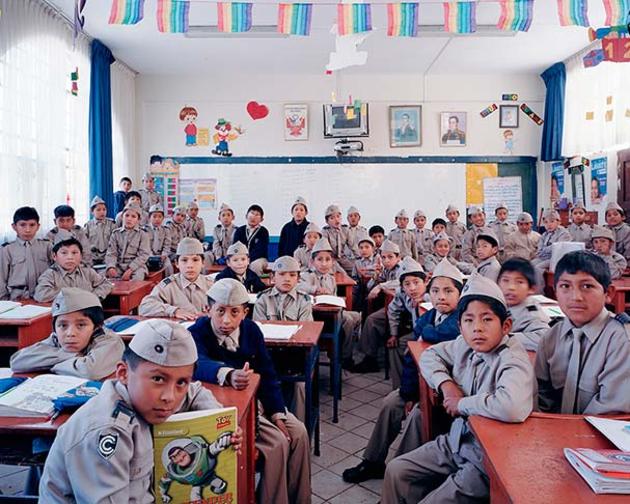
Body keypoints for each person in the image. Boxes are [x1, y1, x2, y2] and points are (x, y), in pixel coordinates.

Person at [39, 319, 239, 502]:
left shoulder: (151, 399)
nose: (169, 396)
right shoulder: (108, 431)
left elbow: (194, 392)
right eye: (158, 379)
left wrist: (218, 424)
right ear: (123, 373)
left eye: (181, 382)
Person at [381, 274, 535, 504]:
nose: (477, 329)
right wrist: (447, 385)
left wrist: (461, 404)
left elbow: (511, 406)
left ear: (506, 326)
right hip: (457, 440)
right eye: (469, 320)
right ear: (459, 325)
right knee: (396, 469)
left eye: (487, 320)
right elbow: (430, 355)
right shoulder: (464, 344)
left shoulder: (512, 358)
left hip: (489, 458)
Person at [342, 258, 463, 484]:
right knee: (391, 402)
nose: (441, 296)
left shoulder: (463, 318)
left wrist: (426, 332)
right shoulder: (429, 316)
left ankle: (400, 478)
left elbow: (444, 334)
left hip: (449, 395)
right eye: (435, 290)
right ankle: (373, 461)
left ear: (460, 294)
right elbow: (411, 356)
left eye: (448, 291)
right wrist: (408, 393)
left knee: (418, 415)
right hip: (421, 386)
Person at [189, 279, 311, 504]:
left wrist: (277, 414)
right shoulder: (197, 331)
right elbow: (198, 362)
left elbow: (267, 372)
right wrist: (227, 373)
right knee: (277, 444)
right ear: (208, 310)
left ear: (245, 312)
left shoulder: (251, 330)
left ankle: (299, 499)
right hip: (229, 410)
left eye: (234, 312)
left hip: (259, 403)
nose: (227, 320)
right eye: (220, 311)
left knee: (299, 433)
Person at [536, 250, 630, 414]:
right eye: (565, 286)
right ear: (555, 291)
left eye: (587, 286)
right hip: (553, 433)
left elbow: (609, 412)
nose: (576, 297)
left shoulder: (621, 340)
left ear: (608, 293)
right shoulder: (551, 337)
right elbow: (541, 398)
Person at [11, 288, 123, 379]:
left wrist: (50, 364)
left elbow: (89, 371)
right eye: (63, 325)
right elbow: (17, 362)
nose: (70, 333)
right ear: (54, 328)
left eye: (81, 325)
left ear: (96, 327)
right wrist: (72, 356)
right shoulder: (56, 338)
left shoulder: (109, 340)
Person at [298, 238, 361, 367]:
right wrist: (315, 289)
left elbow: (333, 298)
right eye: (320, 260)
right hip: (315, 316)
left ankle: (338, 348)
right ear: (312, 262)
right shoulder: (307, 276)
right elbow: (298, 286)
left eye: (328, 260)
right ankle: (344, 357)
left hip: (331, 313)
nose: (324, 264)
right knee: (348, 320)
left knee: (358, 316)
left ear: (333, 262)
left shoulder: (331, 279)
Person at [352, 240, 402, 373]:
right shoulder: (386, 270)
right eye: (384, 257)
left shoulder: (402, 268)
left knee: (372, 320)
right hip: (390, 305)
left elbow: (401, 282)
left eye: (390, 257)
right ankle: (367, 354)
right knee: (367, 311)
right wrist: (376, 276)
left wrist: (381, 286)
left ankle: (370, 359)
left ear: (398, 257)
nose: (387, 260)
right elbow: (369, 288)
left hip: (403, 309)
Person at [139, 238, 214, 319]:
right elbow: (144, 307)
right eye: (184, 260)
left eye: (195, 260)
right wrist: (173, 311)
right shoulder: (169, 286)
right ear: (177, 263)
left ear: (203, 263)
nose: (190, 266)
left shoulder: (211, 285)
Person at [382, 257, 428, 389]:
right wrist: (394, 334)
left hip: (433, 338)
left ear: (425, 282)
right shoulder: (402, 294)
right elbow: (393, 311)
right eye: (407, 284)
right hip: (415, 332)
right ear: (402, 286)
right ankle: (399, 388)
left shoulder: (432, 294)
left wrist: (424, 299)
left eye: (416, 282)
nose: (412, 288)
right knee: (395, 345)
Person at [33, 237, 113, 302]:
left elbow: (107, 284)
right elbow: (41, 295)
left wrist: (93, 296)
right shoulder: (50, 274)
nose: (70, 257)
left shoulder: (87, 272)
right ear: (54, 256)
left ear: (81, 256)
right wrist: (73, 296)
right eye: (64, 253)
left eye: (74, 253)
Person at [0, 206, 52, 300]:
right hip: (17, 298)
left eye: (32, 225)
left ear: (38, 226)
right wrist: (4, 302)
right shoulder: (7, 250)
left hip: (43, 296)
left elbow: (56, 272)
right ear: (14, 226)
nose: (28, 230)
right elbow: (1, 279)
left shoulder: (47, 246)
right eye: (23, 225)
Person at [497, 258, 550, 351]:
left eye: (519, 282)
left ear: (531, 289)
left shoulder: (531, 314)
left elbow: (544, 339)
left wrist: (501, 338)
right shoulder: (502, 305)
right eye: (505, 280)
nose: (511, 287)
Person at [253, 256, 312, 322]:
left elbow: (305, 329)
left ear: (298, 279)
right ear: (273, 277)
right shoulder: (263, 299)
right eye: (281, 274)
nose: (287, 279)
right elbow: (258, 328)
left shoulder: (303, 301)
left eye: (292, 275)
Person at [105, 203, 151, 281]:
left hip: (137, 267)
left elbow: (143, 255)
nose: (129, 219)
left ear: (138, 220)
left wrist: (130, 270)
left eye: (133, 216)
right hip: (118, 265)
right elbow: (111, 253)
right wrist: (111, 267)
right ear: (122, 216)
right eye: (126, 215)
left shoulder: (143, 234)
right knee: (101, 278)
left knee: (136, 280)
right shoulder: (116, 233)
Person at [232, 204, 269, 275]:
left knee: (255, 265)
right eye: (252, 213)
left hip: (259, 259)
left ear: (261, 219)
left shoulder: (263, 231)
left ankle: (256, 285)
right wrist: (242, 259)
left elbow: (260, 250)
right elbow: (236, 247)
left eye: (257, 215)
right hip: (241, 258)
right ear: (246, 216)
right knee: (234, 264)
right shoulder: (240, 230)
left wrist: (247, 260)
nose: (253, 217)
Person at [531, 208, 571, 273]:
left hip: (557, 258)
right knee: (529, 265)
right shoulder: (544, 234)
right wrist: (543, 251)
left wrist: (544, 250)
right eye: (546, 222)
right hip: (544, 257)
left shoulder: (564, 233)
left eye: (552, 221)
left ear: (558, 222)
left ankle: (540, 283)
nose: (549, 224)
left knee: (537, 268)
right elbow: (539, 249)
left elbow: (557, 248)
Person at [84, 196, 116, 266]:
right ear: (92, 212)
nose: (102, 212)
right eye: (98, 210)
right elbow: (84, 242)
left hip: (108, 255)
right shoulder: (88, 225)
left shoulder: (111, 224)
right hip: (93, 256)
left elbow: (115, 241)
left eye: (104, 209)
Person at [321, 204, 353, 273]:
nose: (336, 220)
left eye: (338, 217)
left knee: (355, 268)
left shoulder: (345, 229)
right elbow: (325, 250)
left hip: (342, 258)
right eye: (332, 218)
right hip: (331, 259)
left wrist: (360, 259)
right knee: (342, 273)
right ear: (327, 221)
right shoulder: (325, 231)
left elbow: (353, 246)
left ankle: (357, 283)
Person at [351, 235, 378, 312]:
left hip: (374, 288)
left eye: (367, 247)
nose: (364, 250)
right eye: (361, 248)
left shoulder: (378, 259)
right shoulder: (357, 262)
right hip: (361, 288)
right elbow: (354, 278)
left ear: (373, 248)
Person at [145, 204, 173, 276]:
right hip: (148, 256)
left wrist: (164, 255)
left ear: (163, 218)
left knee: (168, 267)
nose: (157, 219)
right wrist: (151, 257)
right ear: (149, 217)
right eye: (154, 216)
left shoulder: (166, 230)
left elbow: (167, 245)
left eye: (160, 217)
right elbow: (144, 247)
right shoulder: (144, 230)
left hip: (161, 256)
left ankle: (169, 285)